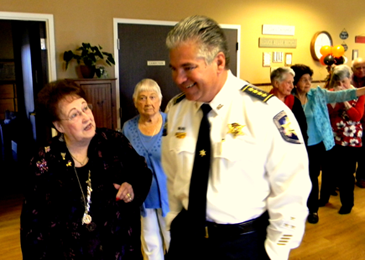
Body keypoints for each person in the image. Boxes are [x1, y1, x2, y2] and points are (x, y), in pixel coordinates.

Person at [162, 15, 311, 260]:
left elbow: (291, 189)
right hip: (186, 239)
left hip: (242, 245)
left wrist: (274, 252)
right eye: (174, 69)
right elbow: (172, 175)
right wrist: (172, 225)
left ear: (218, 61)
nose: (178, 79)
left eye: (188, 68)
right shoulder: (176, 109)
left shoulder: (265, 112)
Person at [20, 80, 152, 259]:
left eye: (85, 108)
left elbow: (142, 172)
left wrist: (132, 187)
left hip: (120, 251)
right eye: (74, 115)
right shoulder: (44, 162)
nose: (86, 117)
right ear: (59, 126)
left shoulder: (114, 142)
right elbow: (32, 227)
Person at [291, 64, 365, 224]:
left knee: (312, 176)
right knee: (295, 178)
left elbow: (343, 95)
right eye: (304, 80)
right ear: (295, 82)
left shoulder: (317, 95)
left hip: (316, 144)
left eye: (309, 80)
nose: (308, 83)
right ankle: (296, 207)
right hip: (295, 146)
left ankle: (313, 210)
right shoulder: (289, 98)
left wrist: (362, 90)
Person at [122, 78, 170, 260]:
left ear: (160, 99)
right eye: (142, 98)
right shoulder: (128, 128)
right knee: (151, 245)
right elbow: (125, 161)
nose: (148, 103)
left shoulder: (172, 123)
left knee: (173, 242)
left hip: (171, 196)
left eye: (152, 97)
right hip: (143, 197)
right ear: (135, 102)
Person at [319, 65, 364, 214]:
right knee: (328, 170)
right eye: (338, 82)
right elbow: (327, 113)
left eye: (344, 81)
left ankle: (347, 203)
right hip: (332, 137)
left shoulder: (359, 94)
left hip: (350, 140)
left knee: (346, 173)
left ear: (350, 78)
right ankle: (324, 198)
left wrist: (344, 100)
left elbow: (357, 116)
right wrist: (336, 96)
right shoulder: (331, 93)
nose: (342, 85)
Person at [270, 67, 308, 145]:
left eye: (292, 82)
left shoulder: (295, 102)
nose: (292, 86)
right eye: (288, 82)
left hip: (294, 145)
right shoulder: (266, 102)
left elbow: (302, 127)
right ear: (276, 83)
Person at [351, 57, 365, 188]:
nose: (361, 70)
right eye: (358, 68)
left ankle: (361, 176)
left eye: (364, 67)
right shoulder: (348, 81)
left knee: (364, 153)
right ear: (353, 70)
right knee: (352, 153)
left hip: (364, 121)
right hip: (350, 123)